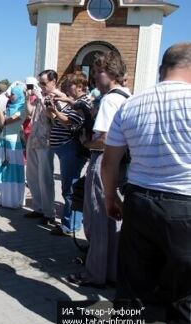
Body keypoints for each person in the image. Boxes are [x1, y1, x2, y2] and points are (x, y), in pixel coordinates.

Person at [102, 43, 191, 324]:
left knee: (131, 289)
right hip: (184, 204)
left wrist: (109, 198)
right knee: (185, 294)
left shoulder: (132, 103)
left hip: (138, 200)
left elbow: (109, 161)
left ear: (161, 69)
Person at [68, 51, 130, 287]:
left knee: (98, 219)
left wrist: (85, 143)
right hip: (121, 165)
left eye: (97, 73)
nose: (94, 78)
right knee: (114, 221)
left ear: (111, 73)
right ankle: (111, 270)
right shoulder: (127, 96)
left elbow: (103, 139)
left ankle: (95, 273)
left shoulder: (110, 99)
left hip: (103, 162)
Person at [48, 72, 91, 237]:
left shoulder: (83, 101)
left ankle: (70, 225)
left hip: (71, 149)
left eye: (69, 85)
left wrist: (54, 111)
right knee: (68, 187)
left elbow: (69, 122)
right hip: (66, 149)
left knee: (70, 188)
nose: (66, 88)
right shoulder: (78, 102)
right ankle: (70, 222)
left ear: (79, 86)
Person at [24, 70, 60, 225]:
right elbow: (30, 113)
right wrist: (28, 100)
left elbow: (54, 117)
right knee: (32, 176)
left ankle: (49, 212)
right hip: (34, 139)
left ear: (54, 82)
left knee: (45, 178)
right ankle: (38, 207)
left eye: (44, 83)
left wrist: (42, 98)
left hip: (46, 141)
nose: (41, 86)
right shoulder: (41, 96)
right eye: (40, 83)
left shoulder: (56, 96)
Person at [0, 86, 26, 208]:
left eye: (13, 94)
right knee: (0, 169)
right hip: (3, 140)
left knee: (11, 170)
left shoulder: (22, 108)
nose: (10, 96)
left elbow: (5, 122)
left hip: (13, 143)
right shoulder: (9, 106)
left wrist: (0, 109)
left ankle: (11, 199)